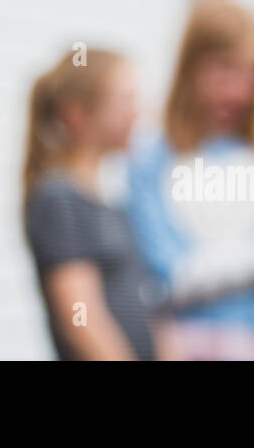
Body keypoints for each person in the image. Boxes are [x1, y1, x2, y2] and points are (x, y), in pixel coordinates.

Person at [126, 0, 254, 360]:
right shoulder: (150, 156)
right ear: (190, 69)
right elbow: (166, 281)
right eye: (223, 71)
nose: (238, 91)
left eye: (251, 75)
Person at [22, 47, 172, 360]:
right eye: (125, 100)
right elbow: (82, 320)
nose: (137, 113)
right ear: (76, 114)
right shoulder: (58, 199)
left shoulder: (112, 202)